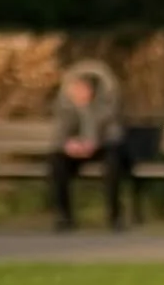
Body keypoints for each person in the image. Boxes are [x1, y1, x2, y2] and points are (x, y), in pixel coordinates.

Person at [48, 59, 127, 231]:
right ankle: (64, 217)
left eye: (83, 88)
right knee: (57, 162)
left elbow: (115, 134)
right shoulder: (65, 109)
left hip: (102, 149)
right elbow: (60, 134)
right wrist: (69, 145)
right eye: (75, 89)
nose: (79, 92)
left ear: (91, 89)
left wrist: (95, 143)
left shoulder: (106, 107)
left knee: (113, 163)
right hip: (77, 152)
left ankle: (115, 217)